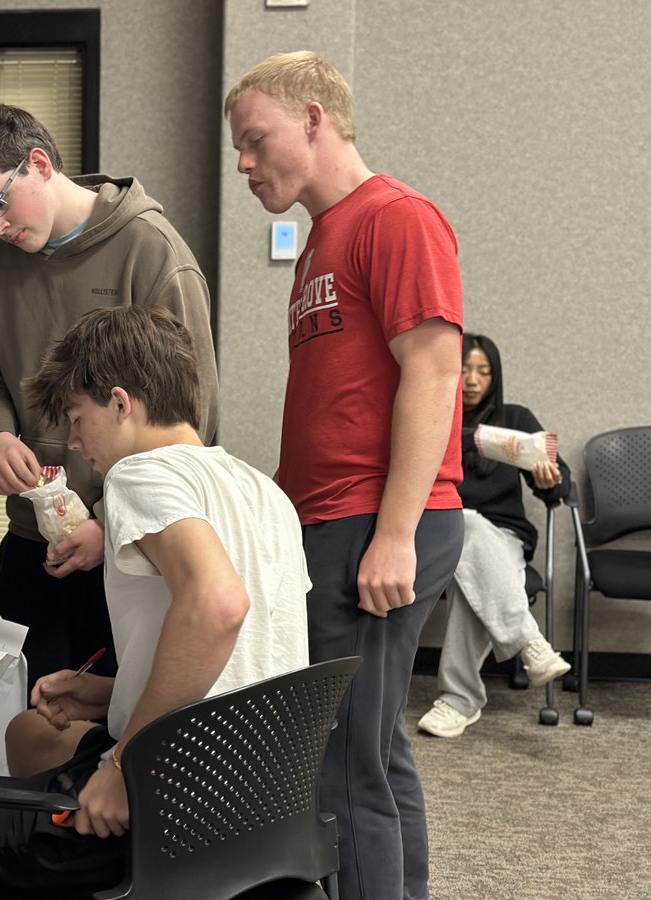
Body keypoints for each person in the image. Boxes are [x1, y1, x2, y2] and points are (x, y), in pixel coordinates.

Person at [0, 305, 308, 899]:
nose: (72, 442)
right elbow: (250, 662)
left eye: (76, 418)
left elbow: (219, 605)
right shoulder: (262, 490)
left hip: (170, 808)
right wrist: (112, 692)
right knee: (28, 732)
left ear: (120, 403)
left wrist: (121, 767)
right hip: (262, 800)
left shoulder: (140, 476)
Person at [225, 52, 466, 900]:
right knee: (373, 750)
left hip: (377, 521)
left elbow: (434, 372)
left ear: (314, 119)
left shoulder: (395, 218)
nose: (244, 163)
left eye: (256, 140)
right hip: (337, 521)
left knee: (338, 763)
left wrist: (394, 534)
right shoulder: (320, 242)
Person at [0, 104, 219, 694]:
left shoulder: (152, 252)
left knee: (115, 716)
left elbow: (192, 424)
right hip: (33, 538)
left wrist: (111, 523)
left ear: (39, 164)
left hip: (132, 544)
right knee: (22, 708)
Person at [418, 334, 571, 738]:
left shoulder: (514, 419)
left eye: (483, 371)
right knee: (463, 523)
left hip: (503, 538)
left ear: (495, 376)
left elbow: (561, 485)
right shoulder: (430, 414)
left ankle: (458, 700)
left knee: (472, 572)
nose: (472, 380)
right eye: (465, 369)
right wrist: (469, 438)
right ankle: (528, 641)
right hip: (437, 540)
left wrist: (550, 480)